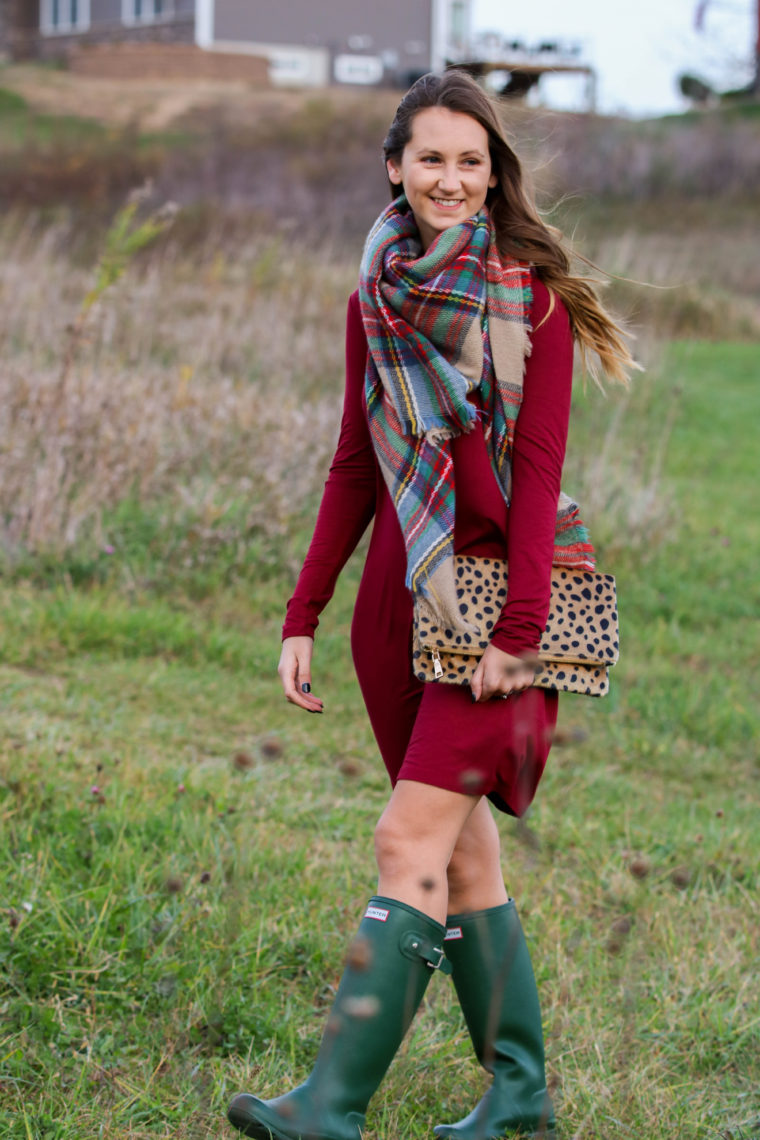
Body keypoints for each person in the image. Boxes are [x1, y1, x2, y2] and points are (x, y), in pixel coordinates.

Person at [228, 70, 633, 1140]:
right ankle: (520, 1095)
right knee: (458, 858)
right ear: (394, 168)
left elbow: (538, 476)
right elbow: (354, 467)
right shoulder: (374, 299)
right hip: (399, 611)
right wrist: (300, 613)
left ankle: (328, 1107)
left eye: (471, 161)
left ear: (491, 173)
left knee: (404, 839)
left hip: (499, 611)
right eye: (431, 159)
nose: (450, 179)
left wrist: (516, 637)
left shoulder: (526, 300)